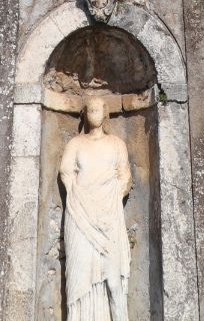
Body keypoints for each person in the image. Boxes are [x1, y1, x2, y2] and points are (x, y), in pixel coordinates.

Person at [59, 96, 132, 321]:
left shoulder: (116, 144)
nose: (93, 112)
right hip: (80, 214)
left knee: (113, 280)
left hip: (109, 216)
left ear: (105, 112)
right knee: (78, 275)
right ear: (85, 114)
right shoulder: (75, 144)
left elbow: (125, 176)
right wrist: (76, 195)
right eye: (89, 109)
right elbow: (65, 171)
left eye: (97, 109)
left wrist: (113, 196)